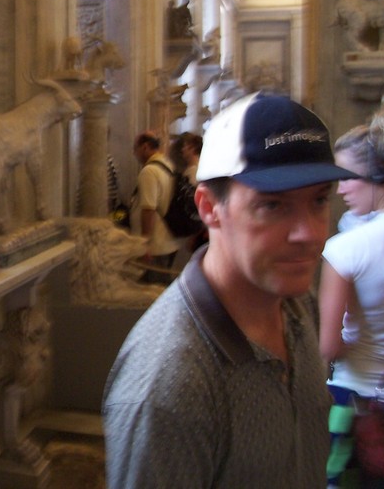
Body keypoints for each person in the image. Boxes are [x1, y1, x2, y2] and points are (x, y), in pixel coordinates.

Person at [103, 92, 357, 488]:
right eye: (273, 205)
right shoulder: (167, 390)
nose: (308, 234)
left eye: (319, 200)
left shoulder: (298, 306)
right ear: (209, 208)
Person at [318, 93, 384, 489]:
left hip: (363, 403)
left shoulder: (348, 248)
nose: (340, 189)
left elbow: (329, 347)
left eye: (346, 177)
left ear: (376, 176)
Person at [129, 131, 179, 284]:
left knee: (152, 291)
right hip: (169, 240)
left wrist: (144, 244)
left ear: (145, 147)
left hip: (156, 245)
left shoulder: (149, 171)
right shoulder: (168, 165)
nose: (134, 153)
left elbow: (148, 209)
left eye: (135, 148)